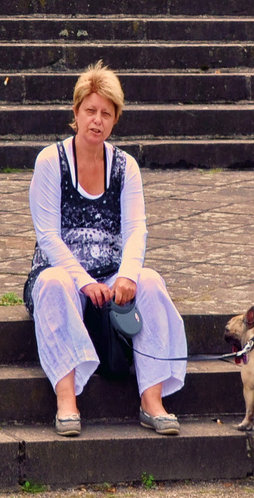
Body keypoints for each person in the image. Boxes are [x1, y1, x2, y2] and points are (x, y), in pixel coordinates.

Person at [24, 61, 188, 437]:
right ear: (76, 113)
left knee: (151, 282)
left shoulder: (126, 166)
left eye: (106, 114)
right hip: (62, 272)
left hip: (112, 271)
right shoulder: (51, 161)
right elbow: (48, 235)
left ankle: (152, 399)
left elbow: (136, 229)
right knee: (51, 283)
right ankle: (67, 400)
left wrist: (128, 274)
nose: (97, 120)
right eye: (90, 111)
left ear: (115, 120)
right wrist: (82, 281)